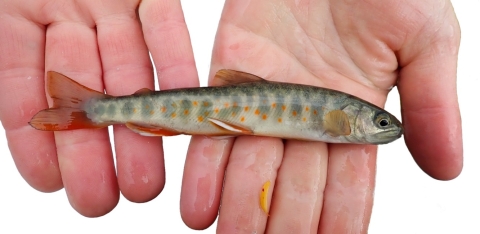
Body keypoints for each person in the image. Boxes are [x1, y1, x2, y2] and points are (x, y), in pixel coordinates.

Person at [0, 0, 462, 233]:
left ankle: (94, 110)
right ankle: (93, 109)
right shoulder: (339, 114)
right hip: (208, 110)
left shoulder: (340, 114)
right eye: (381, 123)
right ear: (351, 120)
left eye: (381, 124)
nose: (386, 129)